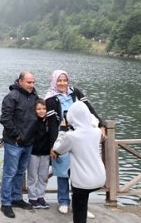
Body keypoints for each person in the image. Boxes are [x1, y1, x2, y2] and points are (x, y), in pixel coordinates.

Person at [51, 101, 106, 223]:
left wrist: (62, 129)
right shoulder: (96, 132)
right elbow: (94, 128)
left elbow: (56, 150)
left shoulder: (72, 136)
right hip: (99, 177)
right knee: (82, 208)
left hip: (82, 181)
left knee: (79, 219)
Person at [44, 69, 103, 215]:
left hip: (81, 136)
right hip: (63, 136)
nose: (62, 83)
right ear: (54, 82)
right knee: (63, 171)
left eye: (64, 80)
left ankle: (82, 206)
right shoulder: (50, 99)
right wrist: (53, 146)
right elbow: (51, 124)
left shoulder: (75, 93)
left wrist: (101, 124)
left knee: (81, 172)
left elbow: (89, 109)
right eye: (59, 80)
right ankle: (64, 201)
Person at [0, 70, 38, 218]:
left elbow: (40, 115)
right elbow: (5, 119)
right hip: (14, 143)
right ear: (20, 81)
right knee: (9, 173)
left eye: (33, 82)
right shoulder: (11, 97)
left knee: (21, 172)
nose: (31, 85)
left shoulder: (35, 97)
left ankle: (17, 198)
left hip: (28, 142)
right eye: (29, 82)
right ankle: (6, 203)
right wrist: (17, 136)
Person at [25, 98, 56, 209]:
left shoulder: (49, 122)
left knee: (43, 176)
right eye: (38, 109)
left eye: (44, 108)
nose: (41, 111)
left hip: (46, 153)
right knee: (32, 176)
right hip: (33, 153)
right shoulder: (32, 121)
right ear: (34, 110)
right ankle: (32, 198)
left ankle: (40, 196)